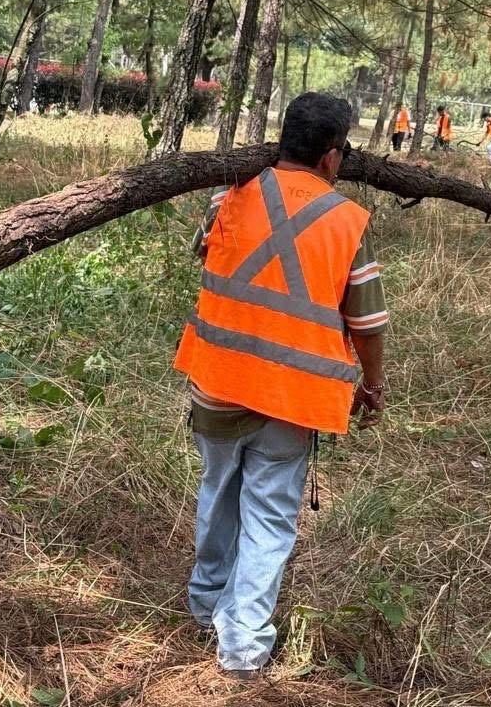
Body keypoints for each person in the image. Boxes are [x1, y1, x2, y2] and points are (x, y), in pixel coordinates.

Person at [173, 92, 390, 680]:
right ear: (330, 156)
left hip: (217, 379)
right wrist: (372, 385)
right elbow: (367, 324)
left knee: (218, 491)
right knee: (269, 515)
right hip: (293, 397)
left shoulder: (230, 195)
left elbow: (207, 256)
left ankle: (204, 605)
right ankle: (242, 645)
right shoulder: (347, 221)